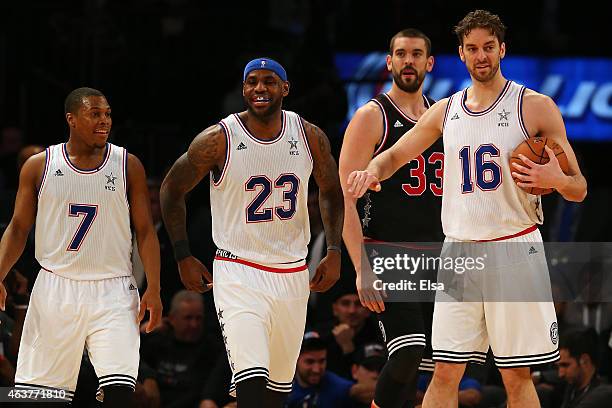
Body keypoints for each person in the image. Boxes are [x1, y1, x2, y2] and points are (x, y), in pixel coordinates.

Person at [347, 10, 587, 408]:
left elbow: (579, 187)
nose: (481, 56)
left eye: (488, 47)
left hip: (514, 249)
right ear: (461, 54)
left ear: (502, 50)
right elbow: (395, 155)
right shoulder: (446, 110)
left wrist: (556, 181)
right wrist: (371, 170)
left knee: (516, 377)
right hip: (459, 252)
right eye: (472, 48)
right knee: (444, 372)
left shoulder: (536, 107)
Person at [160, 57, 344, 408]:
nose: (260, 88)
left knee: (275, 396)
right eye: (252, 82)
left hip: (292, 273)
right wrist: (182, 253)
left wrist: (333, 250)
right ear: (243, 89)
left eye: (269, 81)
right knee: (252, 382)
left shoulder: (309, 136)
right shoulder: (218, 139)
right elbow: (171, 188)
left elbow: (332, 191)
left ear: (285, 89)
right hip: (238, 271)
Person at [0, 87, 163, 406]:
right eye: (95, 114)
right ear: (71, 119)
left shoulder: (128, 165)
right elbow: (18, 228)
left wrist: (154, 287)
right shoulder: (39, 165)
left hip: (113, 288)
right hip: (55, 286)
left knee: (120, 392)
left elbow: (145, 231)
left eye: (108, 114)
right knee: (39, 397)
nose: (104, 121)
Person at [339, 27, 441, 408]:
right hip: (388, 251)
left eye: (416, 54)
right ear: (389, 62)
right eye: (401, 54)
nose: (408, 61)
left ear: (429, 63)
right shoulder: (371, 116)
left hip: (438, 253)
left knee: (434, 366)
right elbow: (344, 199)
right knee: (407, 351)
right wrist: (361, 267)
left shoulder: (441, 116)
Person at [286, 331, 355, 408]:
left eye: (321, 361)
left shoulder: (337, 387)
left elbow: (359, 391)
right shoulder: (282, 384)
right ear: (296, 360)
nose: (316, 370)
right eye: (310, 362)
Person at [558, 328, 612, 408]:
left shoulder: (603, 395)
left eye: (565, 365)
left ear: (584, 360)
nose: (560, 373)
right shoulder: (569, 388)